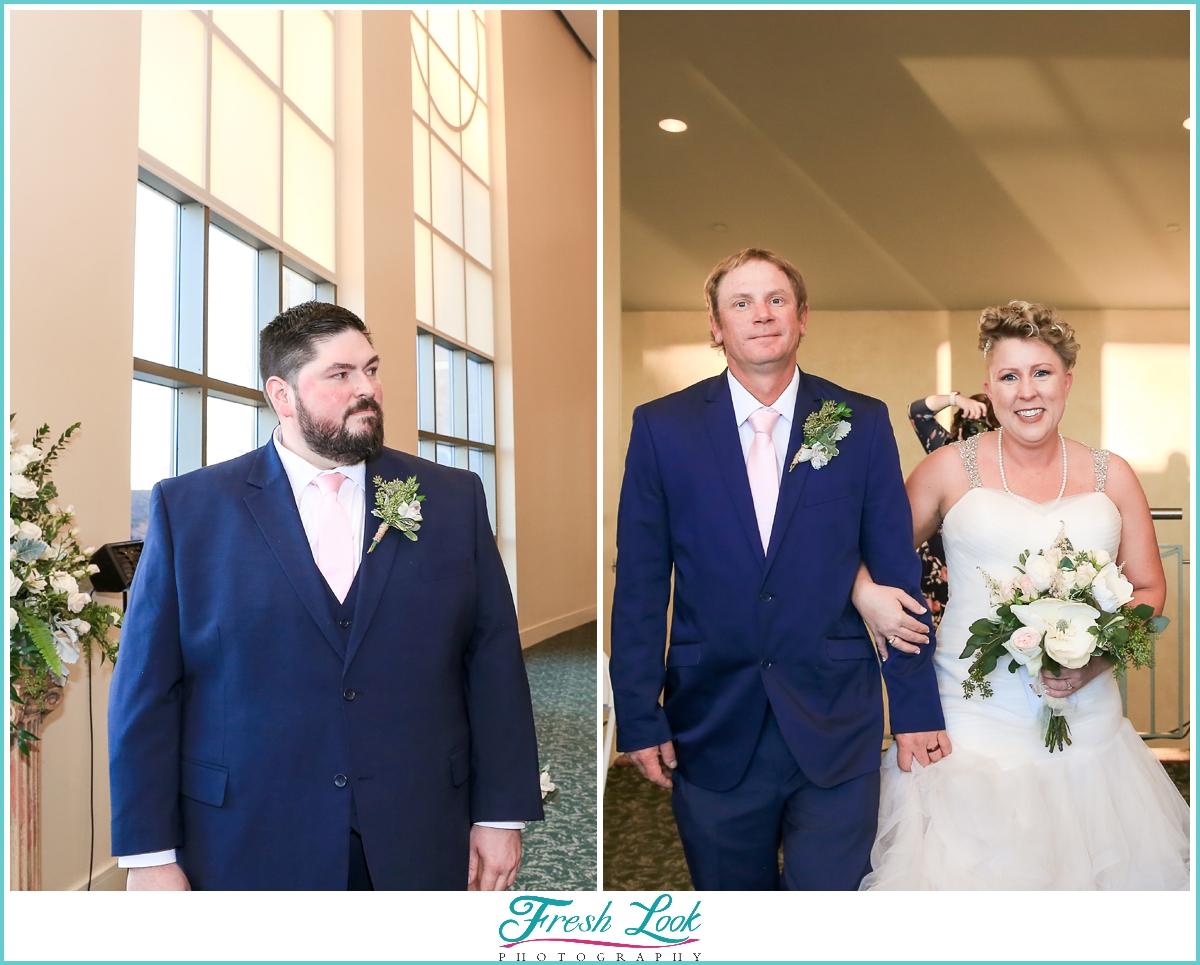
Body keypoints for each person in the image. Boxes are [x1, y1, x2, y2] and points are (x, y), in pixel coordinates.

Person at [108, 302, 544, 890]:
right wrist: (149, 855)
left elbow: (492, 664)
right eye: (341, 375)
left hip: (418, 828)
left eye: (371, 369)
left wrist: (500, 814)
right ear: (282, 395)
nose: (367, 388)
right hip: (247, 837)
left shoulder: (449, 499)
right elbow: (147, 691)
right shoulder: (189, 510)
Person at [609, 248, 946, 891]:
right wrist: (638, 712)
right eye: (741, 303)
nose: (760, 315)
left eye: (776, 300)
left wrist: (914, 709)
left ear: (802, 317)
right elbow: (643, 585)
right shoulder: (661, 428)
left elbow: (896, 572)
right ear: (716, 326)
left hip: (836, 721)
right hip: (710, 721)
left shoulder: (861, 421)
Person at [854, 301, 1190, 890]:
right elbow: (866, 556)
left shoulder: (1115, 475)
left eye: (1041, 372)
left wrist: (1097, 660)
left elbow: (1148, 587)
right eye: (1009, 376)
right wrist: (864, 595)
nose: (1026, 391)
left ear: (1067, 380)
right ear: (988, 388)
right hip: (970, 721)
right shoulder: (944, 471)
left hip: (1091, 732)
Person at [907, 392, 999, 629]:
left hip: (981, 560)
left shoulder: (1007, 465)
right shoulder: (948, 454)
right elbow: (918, 412)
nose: (977, 433)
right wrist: (955, 400)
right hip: (937, 559)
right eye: (971, 425)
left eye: (986, 425)